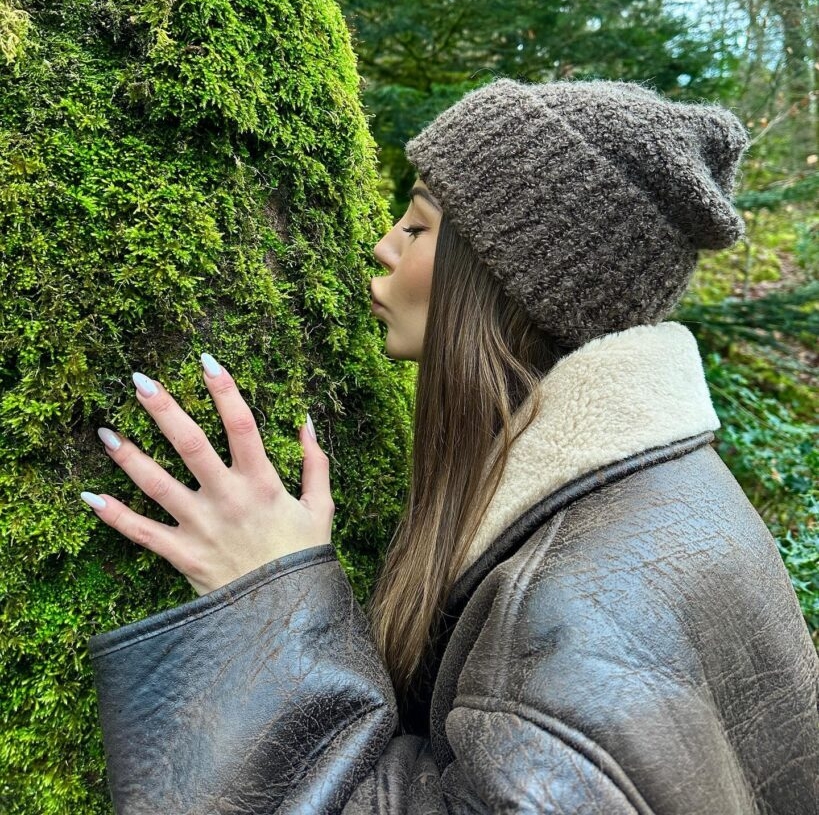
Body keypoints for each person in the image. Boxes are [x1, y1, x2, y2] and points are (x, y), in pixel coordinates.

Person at [83, 78, 819, 814]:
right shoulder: (673, 482)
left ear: (502, 279)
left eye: (417, 226)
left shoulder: (566, 604)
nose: (381, 243)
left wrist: (266, 606)